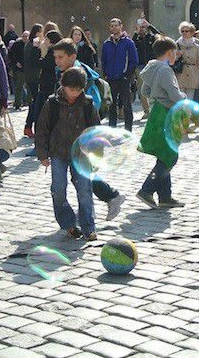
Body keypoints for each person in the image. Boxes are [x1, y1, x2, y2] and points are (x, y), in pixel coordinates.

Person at [50, 39, 125, 220]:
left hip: (81, 133)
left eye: (60, 57)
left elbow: (92, 104)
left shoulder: (80, 75)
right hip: (70, 133)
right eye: (55, 57)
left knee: (82, 174)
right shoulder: (66, 72)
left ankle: (112, 196)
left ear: (72, 57)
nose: (57, 61)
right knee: (80, 175)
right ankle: (108, 198)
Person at [35, 67, 99, 241]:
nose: (75, 93)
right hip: (58, 153)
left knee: (85, 190)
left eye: (79, 90)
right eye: (71, 89)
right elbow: (42, 129)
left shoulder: (87, 104)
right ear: (63, 86)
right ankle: (68, 223)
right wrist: (42, 154)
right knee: (58, 189)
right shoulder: (52, 104)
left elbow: (96, 132)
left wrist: (97, 155)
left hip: (82, 155)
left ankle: (88, 227)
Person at [135, 36, 186, 209]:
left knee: (163, 154)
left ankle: (165, 196)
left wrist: (156, 97)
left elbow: (144, 90)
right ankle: (146, 190)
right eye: (175, 52)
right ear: (169, 52)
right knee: (170, 155)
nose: (176, 55)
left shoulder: (151, 68)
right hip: (167, 113)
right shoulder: (165, 71)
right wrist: (184, 99)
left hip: (158, 111)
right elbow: (173, 94)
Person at [101, 18, 138, 132]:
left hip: (124, 78)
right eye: (111, 26)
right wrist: (106, 75)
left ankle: (128, 131)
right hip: (111, 78)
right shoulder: (106, 43)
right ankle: (112, 129)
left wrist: (127, 75)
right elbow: (104, 61)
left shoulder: (128, 42)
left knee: (127, 105)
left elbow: (134, 60)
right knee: (112, 105)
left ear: (121, 26)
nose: (113, 28)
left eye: (115, 25)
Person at [22, 23, 45, 137]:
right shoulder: (34, 44)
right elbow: (35, 61)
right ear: (37, 33)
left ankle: (28, 126)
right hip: (34, 77)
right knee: (36, 103)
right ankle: (29, 126)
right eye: (41, 31)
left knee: (34, 102)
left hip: (31, 76)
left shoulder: (29, 44)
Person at [132, 20, 157, 118]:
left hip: (152, 65)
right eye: (140, 27)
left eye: (143, 27)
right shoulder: (136, 39)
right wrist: (136, 33)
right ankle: (147, 111)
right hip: (140, 66)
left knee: (154, 88)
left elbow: (161, 37)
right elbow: (131, 44)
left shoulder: (151, 37)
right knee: (142, 89)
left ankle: (154, 108)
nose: (142, 29)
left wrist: (150, 26)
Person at [175, 21, 199, 100]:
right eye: (182, 31)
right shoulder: (177, 44)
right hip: (180, 73)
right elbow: (172, 60)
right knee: (180, 98)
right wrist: (178, 56)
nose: (184, 33)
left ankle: (188, 112)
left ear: (191, 32)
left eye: (186, 31)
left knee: (190, 98)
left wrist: (198, 74)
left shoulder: (196, 46)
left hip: (192, 73)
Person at [8, 30, 29, 109]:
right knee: (19, 87)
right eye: (23, 36)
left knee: (29, 87)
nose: (25, 38)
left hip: (29, 69)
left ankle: (28, 102)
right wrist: (16, 62)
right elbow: (10, 54)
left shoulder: (31, 45)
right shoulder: (17, 44)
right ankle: (17, 104)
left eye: (26, 36)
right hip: (19, 69)